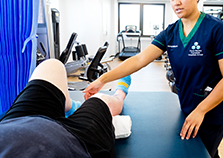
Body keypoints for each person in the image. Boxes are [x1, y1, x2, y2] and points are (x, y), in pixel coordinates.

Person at [84, 0, 223, 158]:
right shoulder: (171, 32)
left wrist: (201, 110)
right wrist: (102, 80)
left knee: (202, 153)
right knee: (200, 152)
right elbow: (139, 59)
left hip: (212, 111)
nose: (177, 2)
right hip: (187, 105)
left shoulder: (216, 29)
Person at [0, 59, 131, 158]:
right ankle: (120, 92)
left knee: (52, 65)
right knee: (100, 99)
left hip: (15, 124)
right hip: (71, 142)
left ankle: (70, 107)